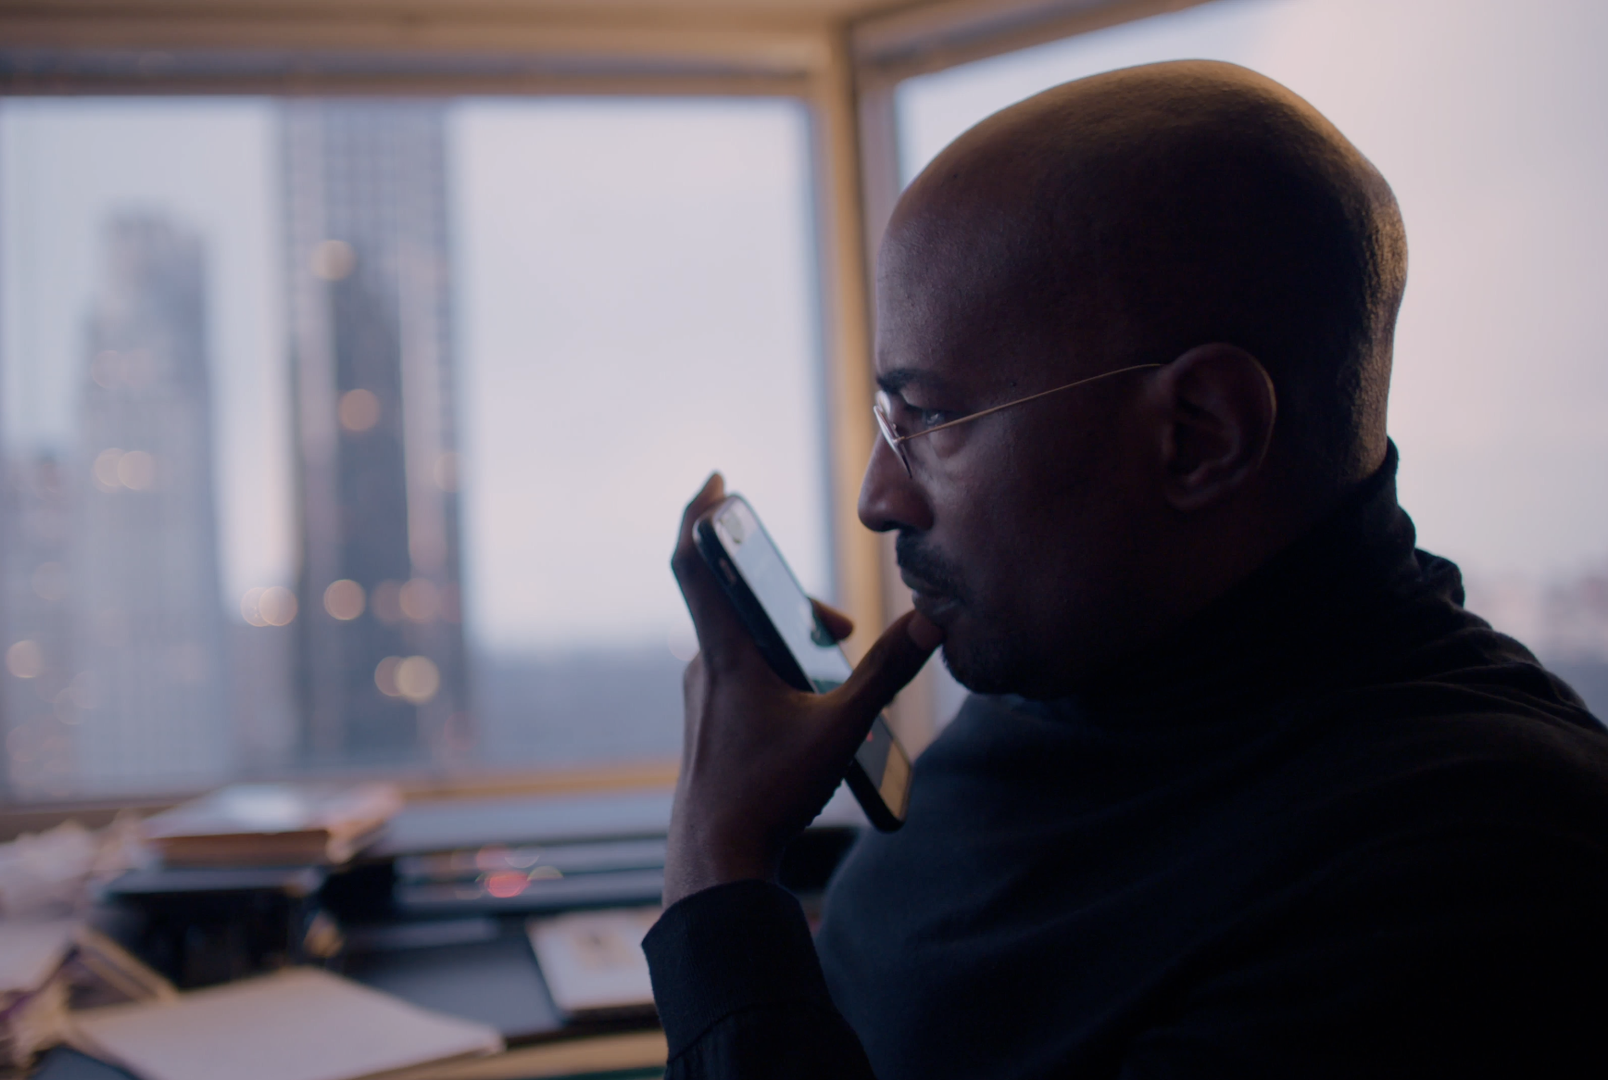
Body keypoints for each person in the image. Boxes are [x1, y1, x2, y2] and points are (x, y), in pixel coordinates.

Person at [646, 60, 1608, 1079]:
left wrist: (716, 871)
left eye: (929, 416)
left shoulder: (1480, 874)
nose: (878, 498)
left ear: (1200, 436)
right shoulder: (1087, 660)